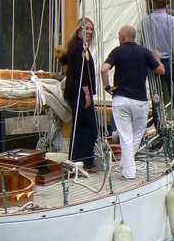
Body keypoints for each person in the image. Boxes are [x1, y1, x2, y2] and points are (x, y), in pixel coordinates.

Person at [101, 25, 164, 181]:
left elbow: (104, 69)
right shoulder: (144, 52)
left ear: (122, 37)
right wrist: (157, 60)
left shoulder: (117, 51)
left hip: (120, 99)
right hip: (140, 101)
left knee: (125, 136)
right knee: (137, 134)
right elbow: (161, 70)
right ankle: (128, 169)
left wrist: (107, 87)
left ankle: (128, 169)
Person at [140, 0, 174, 128]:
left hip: (152, 62)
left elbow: (144, 42)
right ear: (167, 4)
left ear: (154, 3)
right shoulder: (172, 20)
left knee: (156, 96)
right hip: (169, 62)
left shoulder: (145, 21)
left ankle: (159, 129)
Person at [62, 18, 98, 170]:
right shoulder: (79, 46)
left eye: (91, 29)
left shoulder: (76, 45)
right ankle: (86, 162)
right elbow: (80, 71)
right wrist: (87, 94)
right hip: (80, 95)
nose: (89, 32)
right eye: (86, 28)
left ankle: (76, 161)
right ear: (79, 29)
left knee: (81, 128)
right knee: (91, 128)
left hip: (76, 93)